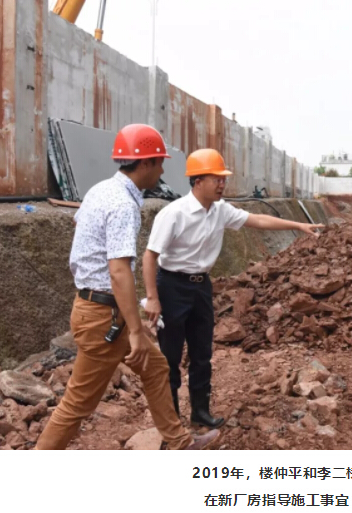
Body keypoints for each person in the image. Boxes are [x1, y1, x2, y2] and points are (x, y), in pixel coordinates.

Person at [36, 124, 219, 450]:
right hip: (103, 316)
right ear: (145, 163)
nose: (162, 170)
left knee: (156, 367)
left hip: (103, 309)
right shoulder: (123, 205)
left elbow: (84, 229)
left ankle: (179, 443)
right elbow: (119, 271)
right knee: (77, 403)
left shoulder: (100, 190)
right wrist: (135, 330)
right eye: (159, 162)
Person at [142, 148, 324, 428]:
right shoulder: (174, 214)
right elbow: (150, 256)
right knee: (170, 357)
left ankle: (200, 412)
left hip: (201, 287)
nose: (222, 184)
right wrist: (152, 298)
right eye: (217, 179)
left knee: (202, 354)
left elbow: (257, 220)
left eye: (223, 179)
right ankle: (171, 423)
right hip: (172, 287)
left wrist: (298, 225)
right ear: (198, 181)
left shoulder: (220, 211)